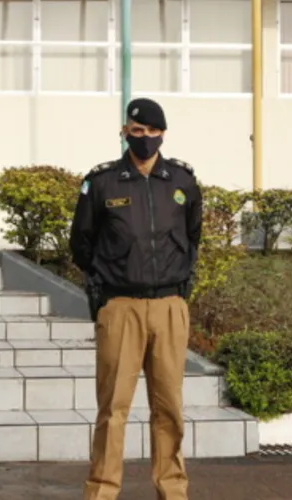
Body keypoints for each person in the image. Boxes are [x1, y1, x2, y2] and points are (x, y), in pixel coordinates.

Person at [69, 98, 203, 500]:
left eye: (153, 131)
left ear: (163, 134)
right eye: (138, 131)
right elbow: (81, 243)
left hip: (169, 307)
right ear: (125, 132)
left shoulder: (182, 181)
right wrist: (105, 285)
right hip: (120, 306)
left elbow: (193, 236)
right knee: (113, 409)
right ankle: (102, 490)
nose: (145, 138)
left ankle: (172, 490)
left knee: (169, 409)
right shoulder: (103, 182)